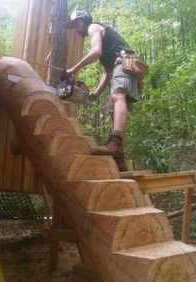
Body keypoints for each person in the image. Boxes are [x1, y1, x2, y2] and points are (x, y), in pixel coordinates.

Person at [65, 10, 141, 171]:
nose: (76, 29)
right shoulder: (105, 48)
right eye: (73, 26)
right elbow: (107, 73)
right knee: (112, 110)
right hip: (118, 66)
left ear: (84, 20)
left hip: (124, 62)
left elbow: (96, 51)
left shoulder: (93, 27)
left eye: (77, 24)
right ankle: (119, 158)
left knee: (117, 96)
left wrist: (74, 69)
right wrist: (96, 94)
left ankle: (115, 143)